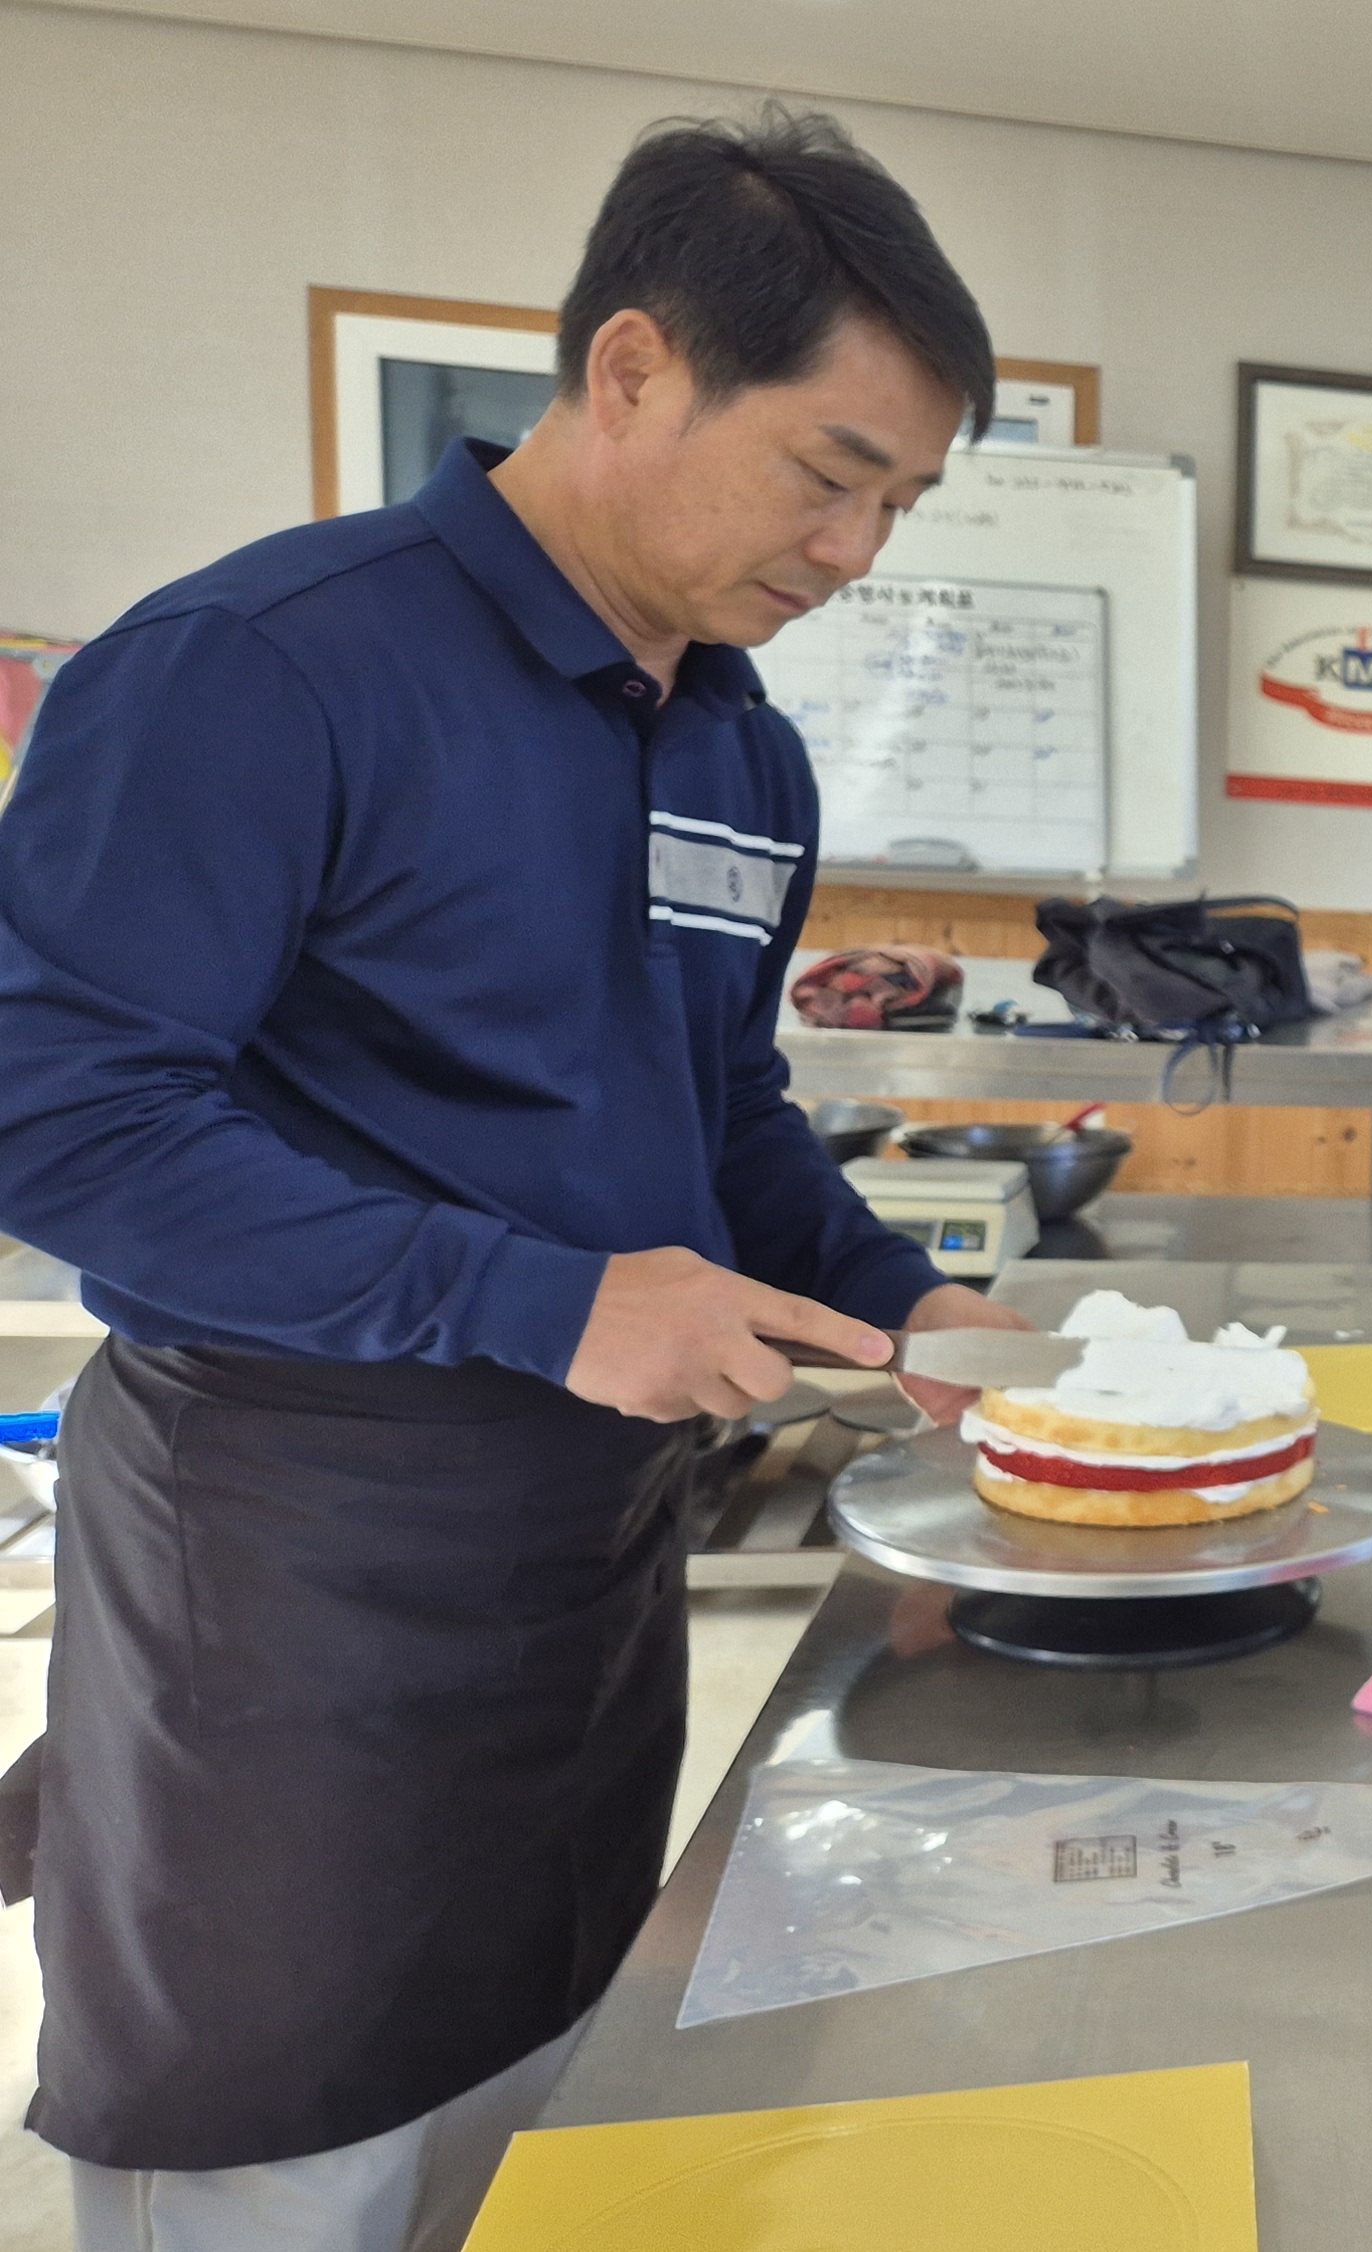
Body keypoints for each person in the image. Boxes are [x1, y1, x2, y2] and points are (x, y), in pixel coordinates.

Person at [0, 106, 1035, 2250]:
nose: (857, 552)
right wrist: (542, 1296)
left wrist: (905, 1300)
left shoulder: (736, 744)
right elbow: (58, 1110)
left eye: (900, 504)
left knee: (549, 2091)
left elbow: (721, 1106)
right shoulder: (265, 667)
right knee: (283, 2134)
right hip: (292, 1553)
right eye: (828, 474)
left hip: (585, 1558)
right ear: (637, 368)